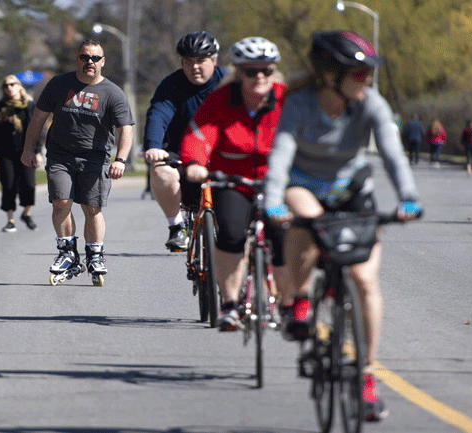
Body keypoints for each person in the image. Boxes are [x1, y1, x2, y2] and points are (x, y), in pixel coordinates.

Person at [263, 31, 422, 421]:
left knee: (365, 281)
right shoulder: (300, 104)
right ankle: (299, 300)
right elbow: (280, 156)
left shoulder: (372, 105)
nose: (366, 80)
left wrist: (408, 196)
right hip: (304, 185)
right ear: (331, 75)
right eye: (359, 73)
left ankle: (366, 375)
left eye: (368, 73)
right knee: (307, 219)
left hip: (353, 188)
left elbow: (392, 152)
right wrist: (272, 201)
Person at [179, 37, 289, 331]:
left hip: (276, 181)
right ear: (239, 73)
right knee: (230, 234)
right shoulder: (221, 100)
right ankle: (229, 305)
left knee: (283, 237)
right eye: (251, 72)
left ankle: (288, 302)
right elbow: (199, 134)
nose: (259, 77)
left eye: (265, 71)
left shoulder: (286, 99)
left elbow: (308, 135)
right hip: (233, 180)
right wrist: (195, 163)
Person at [21, 39, 134, 281]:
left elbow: (126, 129)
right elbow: (38, 119)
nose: (89, 62)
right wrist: (29, 149)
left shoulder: (112, 92)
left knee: (92, 208)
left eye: (95, 58)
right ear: (77, 60)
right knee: (61, 202)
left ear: (103, 62)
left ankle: (95, 254)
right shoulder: (59, 85)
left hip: (96, 157)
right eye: (84, 57)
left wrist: (121, 159)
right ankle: (67, 253)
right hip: (60, 154)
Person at [143, 31, 227, 251]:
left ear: (214, 60)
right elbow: (158, 115)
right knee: (160, 170)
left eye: (201, 61)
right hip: (181, 154)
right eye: (188, 62)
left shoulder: (228, 84)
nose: (195, 67)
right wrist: (153, 146)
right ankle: (177, 227)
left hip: (222, 155)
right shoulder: (171, 85)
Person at [0, 74, 43, 232]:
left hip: (28, 152)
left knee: (29, 185)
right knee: (8, 185)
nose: (9, 88)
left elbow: (38, 129)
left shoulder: (30, 106)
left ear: (19, 86)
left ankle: (26, 213)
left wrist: (37, 151)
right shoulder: (1, 107)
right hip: (6, 153)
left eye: (12, 84)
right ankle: (10, 220)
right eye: (6, 86)